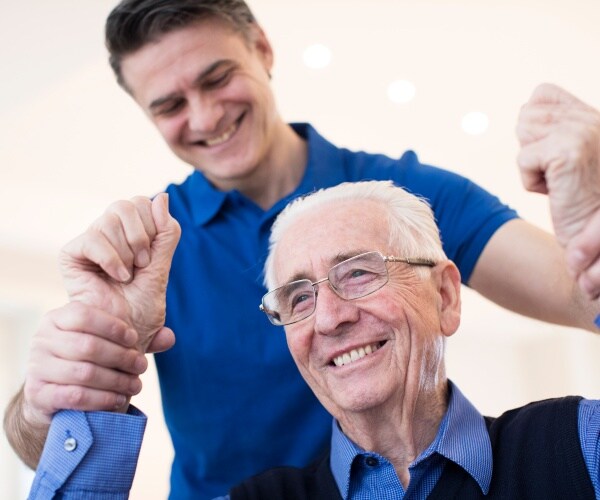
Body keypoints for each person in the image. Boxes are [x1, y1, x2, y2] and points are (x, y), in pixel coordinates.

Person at [5, 0, 600, 497]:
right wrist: (49, 399)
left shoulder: (402, 196)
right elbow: (40, 443)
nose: (206, 116)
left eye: (217, 79)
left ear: (262, 49)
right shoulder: (148, 251)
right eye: (170, 105)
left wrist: (593, 215)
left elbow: (580, 295)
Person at [27, 181, 600, 499]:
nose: (327, 319)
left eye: (358, 272)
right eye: (298, 296)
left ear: (446, 297)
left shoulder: (579, 445)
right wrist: (106, 351)